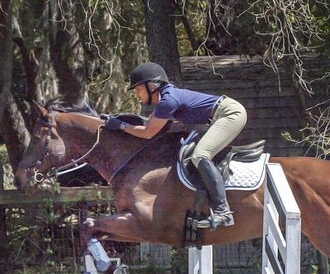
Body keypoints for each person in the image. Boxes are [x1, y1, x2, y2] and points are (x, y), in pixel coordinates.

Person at [104, 62, 247, 229]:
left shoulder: (168, 101)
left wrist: (121, 126)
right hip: (221, 114)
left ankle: (223, 212)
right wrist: (118, 120)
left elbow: (148, 132)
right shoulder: (166, 99)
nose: (136, 94)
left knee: (200, 155)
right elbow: (149, 123)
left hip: (230, 114)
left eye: (138, 89)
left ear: (151, 86)